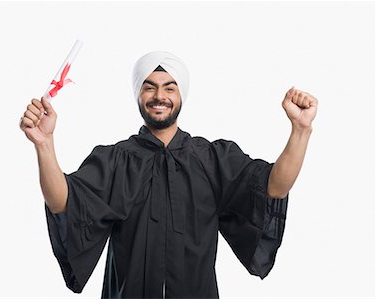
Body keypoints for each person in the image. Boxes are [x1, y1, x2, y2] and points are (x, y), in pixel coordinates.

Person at [19, 51, 317, 298]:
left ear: (181, 95)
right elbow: (64, 203)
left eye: (169, 87)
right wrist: (44, 145)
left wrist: (301, 130)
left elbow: (273, 187)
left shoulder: (212, 159)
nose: (158, 95)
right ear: (138, 94)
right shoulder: (113, 161)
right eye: (149, 87)